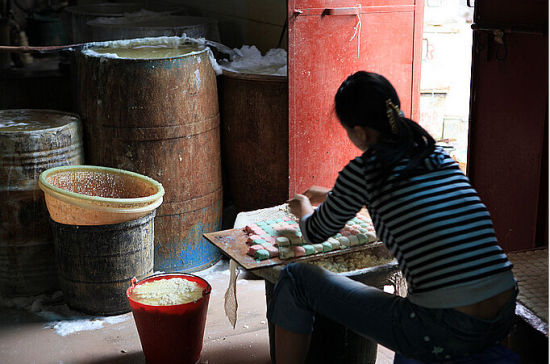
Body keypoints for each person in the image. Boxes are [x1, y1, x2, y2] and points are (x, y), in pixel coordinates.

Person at [266, 71, 517, 364]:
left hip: (444, 328)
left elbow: (314, 232)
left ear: (360, 132)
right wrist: (333, 193)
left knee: (295, 278)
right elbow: (409, 199)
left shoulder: (365, 171)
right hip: (505, 309)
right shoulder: (437, 156)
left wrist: (303, 206)